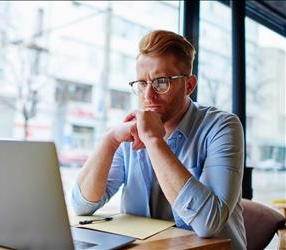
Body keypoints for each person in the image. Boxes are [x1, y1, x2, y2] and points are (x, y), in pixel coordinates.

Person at [71, 30, 246, 250]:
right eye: (142, 84)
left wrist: (154, 141)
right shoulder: (130, 131)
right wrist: (111, 139)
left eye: (161, 82)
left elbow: (208, 224)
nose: (148, 96)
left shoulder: (222, 126)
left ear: (189, 85)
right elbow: (82, 205)